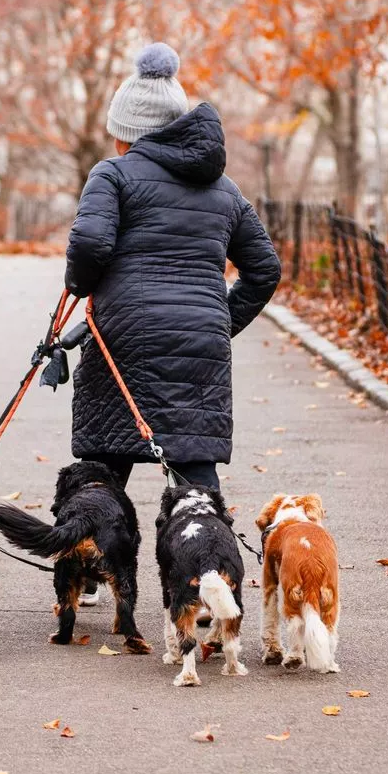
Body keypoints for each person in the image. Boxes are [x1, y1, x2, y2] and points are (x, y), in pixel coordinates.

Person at [64, 41, 282, 500]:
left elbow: (89, 244)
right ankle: (206, 545)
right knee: (195, 474)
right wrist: (218, 321)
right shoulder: (225, 189)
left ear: (127, 134)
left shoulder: (113, 174)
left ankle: (92, 545)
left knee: (103, 471)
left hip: (123, 337)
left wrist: (79, 284)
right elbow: (264, 269)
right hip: (200, 346)